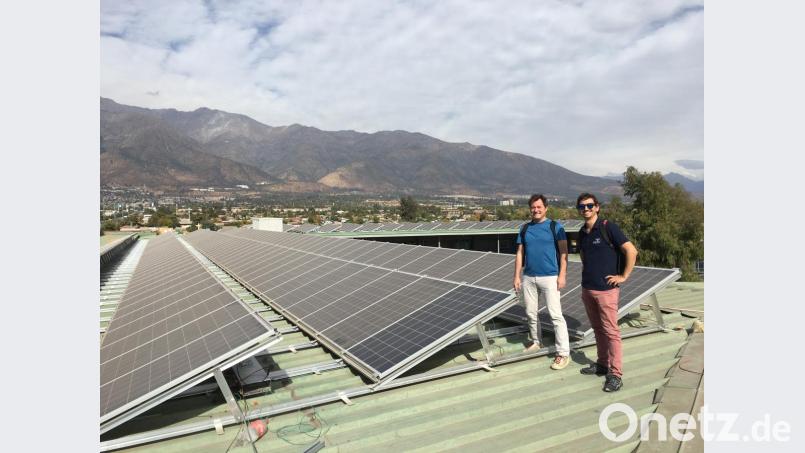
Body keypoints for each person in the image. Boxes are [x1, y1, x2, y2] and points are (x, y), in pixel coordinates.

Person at [575, 193, 638, 392]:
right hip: (588, 289)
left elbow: (631, 250)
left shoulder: (608, 227)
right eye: (582, 206)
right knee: (598, 329)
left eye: (589, 205)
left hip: (606, 291)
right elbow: (584, 257)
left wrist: (624, 276)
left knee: (611, 332)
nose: (586, 209)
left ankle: (616, 374)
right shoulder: (582, 232)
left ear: (597, 207)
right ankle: (602, 364)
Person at [513, 194, 571, 370]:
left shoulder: (555, 227)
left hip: (550, 277)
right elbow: (520, 253)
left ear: (545, 208)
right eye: (533, 207)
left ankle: (563, 353)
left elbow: (564, 253)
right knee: (531, 313)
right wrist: (517, 276)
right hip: (529, 277)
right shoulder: (524, 229)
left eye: (539, 207)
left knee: (555, 315)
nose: (536, 210)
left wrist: (562, 275)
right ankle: (536, 342)